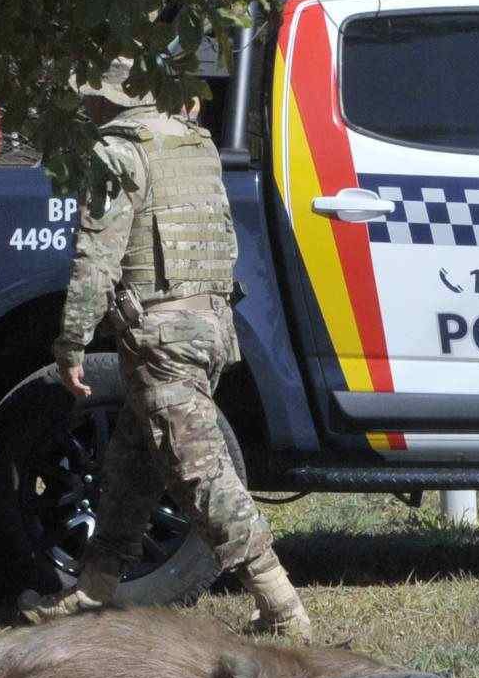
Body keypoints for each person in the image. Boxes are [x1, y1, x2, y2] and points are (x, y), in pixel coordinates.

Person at [21, 59, 311, 638]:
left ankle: (282, 607)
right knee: (133, 466)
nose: (89, 109)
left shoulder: (116, 154)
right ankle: (95, 589)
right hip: (206, 329)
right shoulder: (193, 145)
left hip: (161, 340)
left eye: (93, 99)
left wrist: (72, 342)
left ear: (111, 103)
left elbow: (96, 259)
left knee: (200, 470)